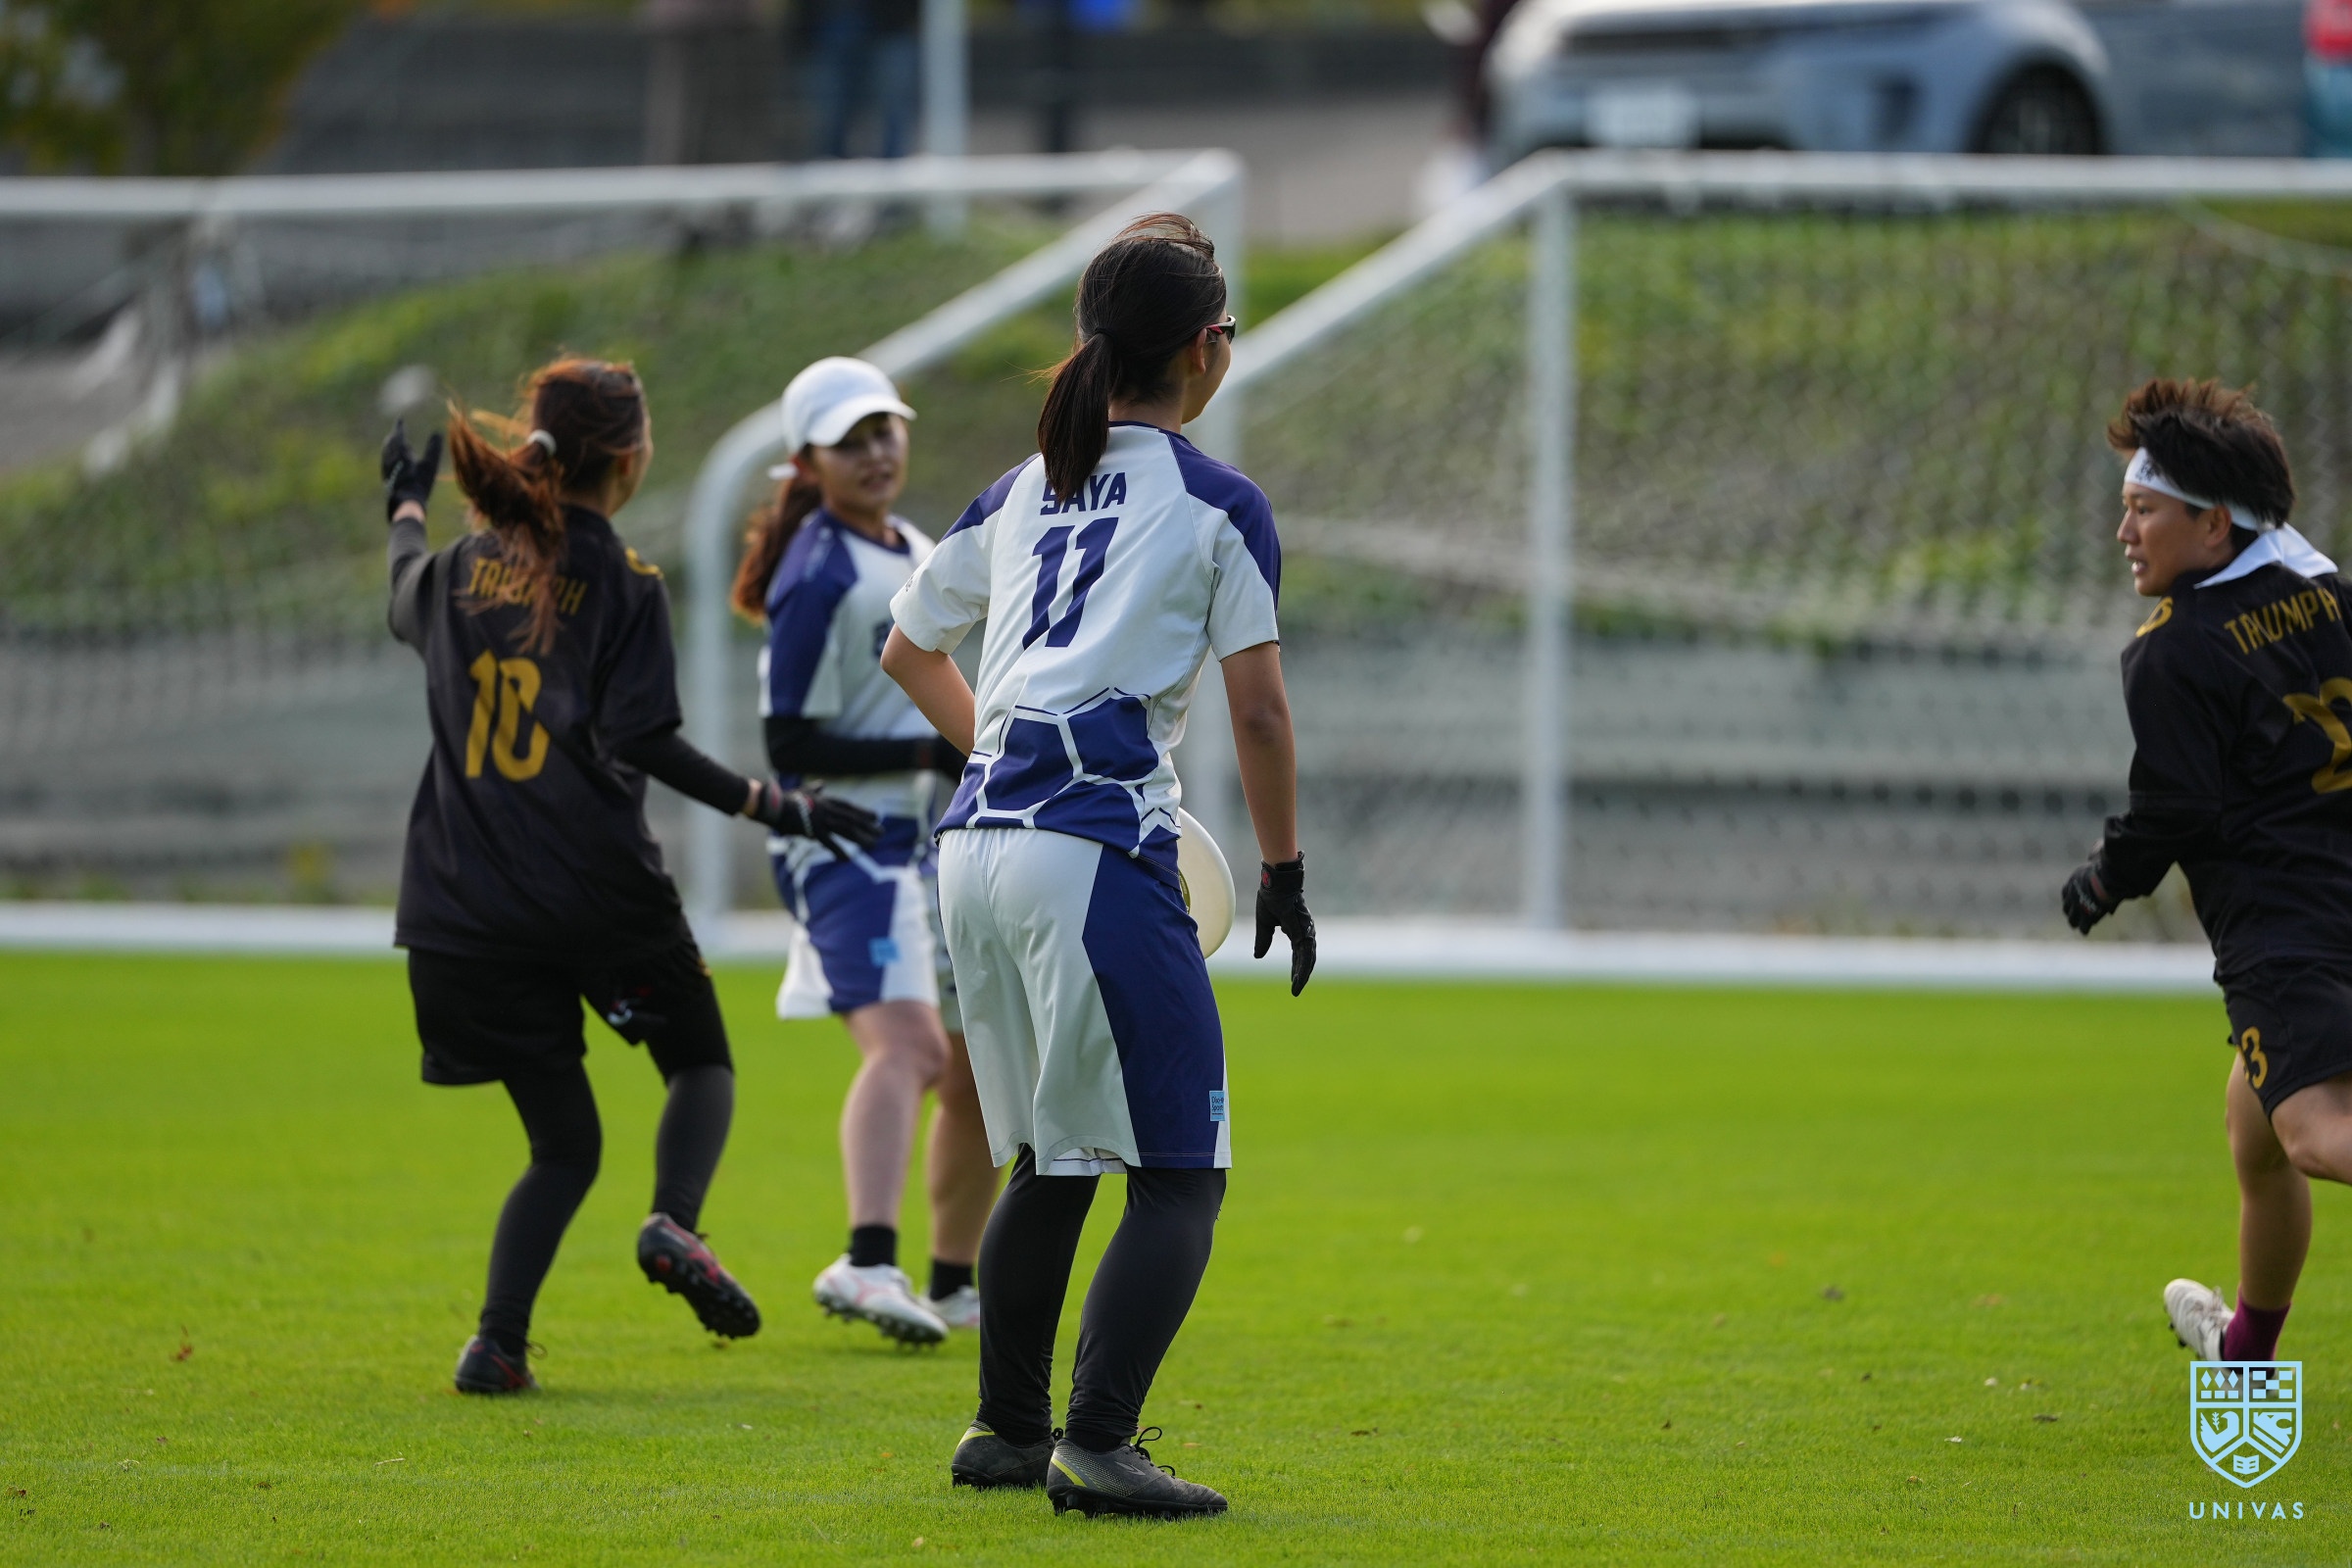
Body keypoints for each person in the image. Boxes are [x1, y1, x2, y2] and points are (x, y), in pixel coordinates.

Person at [881, 213, 1316, 1518]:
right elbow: (1260, 716)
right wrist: (1284, 872)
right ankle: (1099, 1443)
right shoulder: (1217, 501)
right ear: (1203, 349)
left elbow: (908, 649)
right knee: (1182, 1172)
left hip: (975, 849)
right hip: (1092, 852)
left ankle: (1008, 1431)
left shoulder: (1019, 488)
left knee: (1055, 1156)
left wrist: (1004, 754)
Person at [376, 357, 879, 1396]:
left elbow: (400, 593)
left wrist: (407, 509)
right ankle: (673, 1221)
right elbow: (646, 740)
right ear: (632, 458)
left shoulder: (460, 566)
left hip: (461, 909)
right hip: (594, 894)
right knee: (700, 1065)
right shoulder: (626, 584)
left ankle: (497, 1343)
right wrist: (776, 804)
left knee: (563, 1144)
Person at [2060, 378, 2352, 1370]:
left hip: (2289, 927)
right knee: (2254, 1132)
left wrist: (2104, 879)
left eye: (2144, 509)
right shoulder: (2328, 591)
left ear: (2213, 523)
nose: (2124, 532)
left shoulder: (2174, 650)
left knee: (2311, 1132)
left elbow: (2175, 810)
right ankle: (2245, 1354)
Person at [731, 357, 999, 1346]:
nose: (877, 451)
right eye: (851, 441)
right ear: (807, 463)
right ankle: (867, 1261)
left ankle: (954, 1284)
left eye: (885, 429)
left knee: (978, 1068)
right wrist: (928, 752)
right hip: (846, 845)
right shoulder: (819, 572)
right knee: (910, 1049)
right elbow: (789, 744)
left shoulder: (913, 547)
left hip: (922, 845)